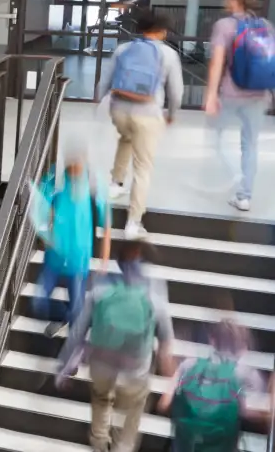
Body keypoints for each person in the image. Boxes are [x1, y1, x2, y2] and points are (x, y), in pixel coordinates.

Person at [56, 239, 175, 452]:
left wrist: (63, 366)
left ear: (118, 262)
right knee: (130, 415)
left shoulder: (101, 285)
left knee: (101, 401)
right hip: (135, 369)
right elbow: (166, 337)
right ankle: (122, 448)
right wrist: (169, 373)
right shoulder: (154, 289)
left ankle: (100, 443)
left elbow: (78, 331)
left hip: (101, 363)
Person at [98, 11, 183, 238]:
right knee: (143, 168)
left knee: (126, 138)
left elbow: (104, 81)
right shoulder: (168, 54)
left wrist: (101, 103)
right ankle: (133, 223)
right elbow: (176, 92)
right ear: (162, 31)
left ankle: (115, 183)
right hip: (147, 114)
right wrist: (172, 113)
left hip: (120, 111)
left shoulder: (123, 49)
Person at [28, 146, 111, 338]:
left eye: (77, 166)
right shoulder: (55, 178)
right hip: (54, 257)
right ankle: (66, 316)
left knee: (76, 306)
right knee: (39, 302)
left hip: (78, 260)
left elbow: (106, 225)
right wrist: (45, 232)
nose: (73, 170)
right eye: (70, 165)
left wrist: (104, 260)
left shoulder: (94, 184)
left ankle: (72, 355)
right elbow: (41, 207)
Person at [205, 0, 271, 212]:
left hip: (231, 93)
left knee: (215, 137)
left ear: (234, 0)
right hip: (259, 94)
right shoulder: (266, 26)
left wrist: (211, 95)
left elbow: (217, 62)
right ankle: (244, 196)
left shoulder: (224, 26)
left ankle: (234, 174)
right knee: (250, 145)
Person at [158, 319, 267, 451]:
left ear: (212, 340)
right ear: (244, 347)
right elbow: (255, 417)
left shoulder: (189, 365)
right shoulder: (245, 374)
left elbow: (163, 405)